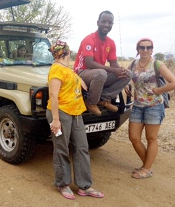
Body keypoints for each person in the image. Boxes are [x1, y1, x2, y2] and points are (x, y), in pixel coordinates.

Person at [46, 40, 104, 200]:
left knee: (82, 148)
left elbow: (71, 82)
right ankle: (62, 183)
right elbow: (53, 95)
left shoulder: (67, 69)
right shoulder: (56, 69)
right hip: (61, 113)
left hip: (76, 114)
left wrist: (80, 80)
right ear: (67, 52)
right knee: (61, 148)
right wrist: (56, 120)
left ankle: (84, 186)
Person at [125, 38, 175, 179]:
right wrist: (125, 86)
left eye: (148, 47)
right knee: (134, 137)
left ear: (152, 49)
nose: (145, 50)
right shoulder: (134, 63)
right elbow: (124, 77)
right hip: (138, 106)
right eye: (142, 47)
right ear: (138, 49)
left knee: (151, 138)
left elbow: (173, 82)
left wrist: (158, 90)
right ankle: (147, 165)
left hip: (154, 106)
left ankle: (146, 169)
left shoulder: (157, 64)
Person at [74, 10, 132, 116]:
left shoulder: (111, 42)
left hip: (98, 75)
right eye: (103, 21)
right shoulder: (89, 39)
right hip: (82, 73)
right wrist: (113, 70)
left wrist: (121, 74)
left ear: (112, 25)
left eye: (110, 22)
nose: (106, 25)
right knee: (101, 73)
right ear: (98, 23)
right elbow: (89, 63)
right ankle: (91, 102)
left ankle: (103, 99)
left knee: (128, 74)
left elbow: (114, 63)